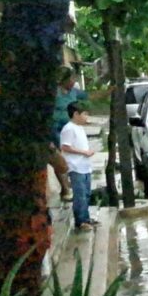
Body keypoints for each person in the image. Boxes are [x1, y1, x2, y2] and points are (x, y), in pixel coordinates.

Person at [60, 102, 97, 232]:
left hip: (84, 166)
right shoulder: (69, 128)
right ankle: (80, 221)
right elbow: (65, 147)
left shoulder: (79, 128)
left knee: (86, 193)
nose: (87, 117)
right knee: (80, 195)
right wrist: (84, 152)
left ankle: (86, 218)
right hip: (75, 167)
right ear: (76, 114)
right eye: (84, 114)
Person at [52, 66, 87, 146]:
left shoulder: (74, 92)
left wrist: (108, 91)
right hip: (56, 127)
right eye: (71, 79)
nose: (74, 82)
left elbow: (90, 95)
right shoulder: (54, 92)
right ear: (65, 80)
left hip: (70, 127)